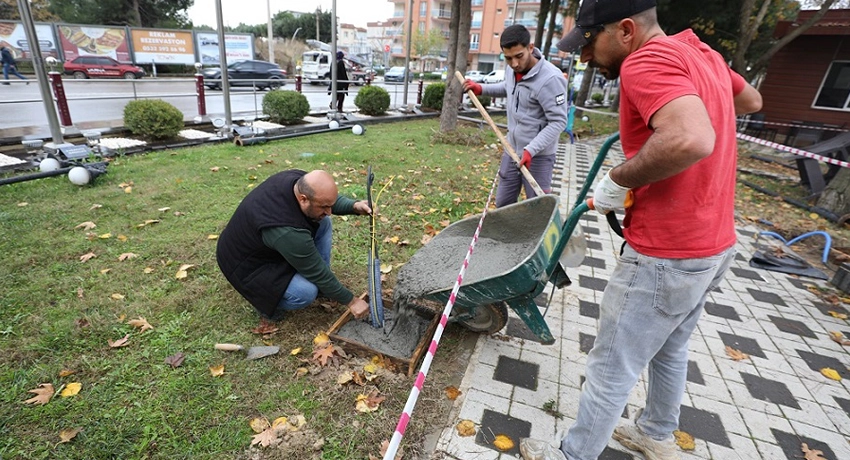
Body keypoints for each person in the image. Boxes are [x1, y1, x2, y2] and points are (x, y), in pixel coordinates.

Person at [519, 1, 762, 460]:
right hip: (714, 246)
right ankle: (654, 433)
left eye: (589, 42)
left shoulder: (646, 60)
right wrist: (694, 105)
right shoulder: (701, 54)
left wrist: (618, 179)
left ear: (626, 30)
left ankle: (573, 454)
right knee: (671, 346)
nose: (585, 56)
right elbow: (751, 101)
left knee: (613, 364)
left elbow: (690, 138)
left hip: (668, 251)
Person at [216, 169, 371, 322]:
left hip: (263, 245)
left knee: (323, 222)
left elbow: (325, 201)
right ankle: (263, 300)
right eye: (324, 207)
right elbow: (316, 271)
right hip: (245, 265)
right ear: (303, 199)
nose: (329, 211)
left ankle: (324, 287)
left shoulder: (299, 181)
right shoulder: (287, 231)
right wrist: (352, 301)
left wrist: (354, 206)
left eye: (330, 205)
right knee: (306, 292)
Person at [463, 24, 568, 208]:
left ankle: (535, 237)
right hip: (512, 150)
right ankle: (505, 237)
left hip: (539, 156)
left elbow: (558, 122)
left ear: (530, 47)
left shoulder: (551, 79)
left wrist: (531, 150)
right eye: (508, 58)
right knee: (503, 203)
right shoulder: (513, 70)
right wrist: (481, 88)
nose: (514, 64)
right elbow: (508, 88)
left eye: (519, 56)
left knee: (536, 207)